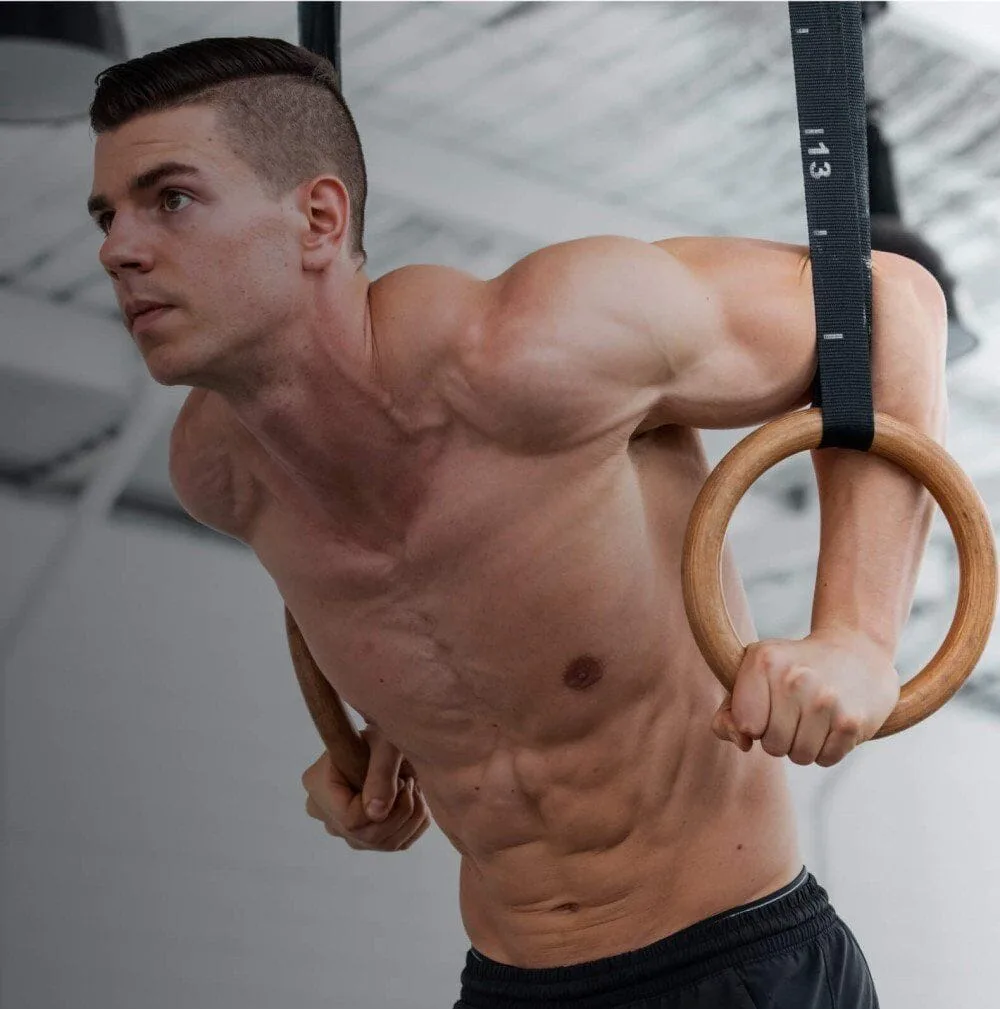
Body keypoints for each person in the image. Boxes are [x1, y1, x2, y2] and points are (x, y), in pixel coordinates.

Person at [87, 36, 946, 1009]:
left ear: (319, 219)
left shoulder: (535, 351)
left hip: (734, 966)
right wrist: (367, 739)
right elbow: (435, 610)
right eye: (106, 213)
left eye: (171, 199)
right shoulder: (220, 472)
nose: (119, 246)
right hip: (507, 987)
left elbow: (887, 300)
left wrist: (859, 637)